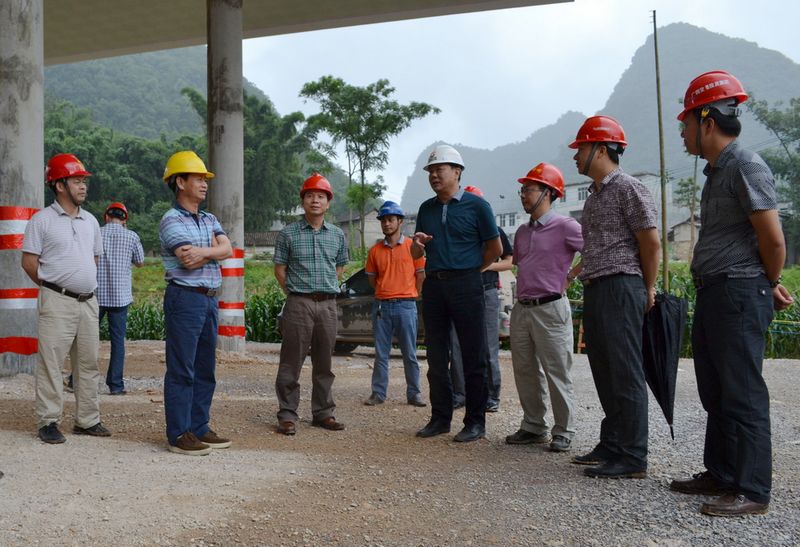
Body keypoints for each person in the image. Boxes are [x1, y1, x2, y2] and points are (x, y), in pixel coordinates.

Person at [669, 71, 794, 517]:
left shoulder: (745, 164)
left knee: (742, 391)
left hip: (738, 291)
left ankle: (752, 489)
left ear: (707, 121)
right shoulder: (717, 172)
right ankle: (721, 473)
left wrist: (767, 282)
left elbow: (772, 239)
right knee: (716, 389)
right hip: (717, 291)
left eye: (685, 123)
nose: (682, 133)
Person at [568, 116, 660, 478]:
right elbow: (597, 247)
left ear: (601, 149)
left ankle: (633, 456)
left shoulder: (628, 188)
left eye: (581, 149)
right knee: (604, 370)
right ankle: (613, 443)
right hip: (597, 287)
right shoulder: (593, 197)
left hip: (622, 286)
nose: (575, 156)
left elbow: (650, 242)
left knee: (625, 371)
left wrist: (647, 288)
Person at [411, 144, 502, 443]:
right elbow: (416, 253)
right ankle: (440, 418)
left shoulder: (478, 206)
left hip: (467, 285)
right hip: (435, 286)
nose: (434, 175)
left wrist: (473, 270)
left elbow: (495, 248)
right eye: (430, 171)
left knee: (474, 356)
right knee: (436, 357)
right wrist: (417, 246)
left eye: (440, 169)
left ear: (457, 172)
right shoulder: (426, 209)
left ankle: (475, 422)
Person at [21, 153, 112, 444]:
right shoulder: (42, 221)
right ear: (59, 185)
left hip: (88, 301)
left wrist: (79, 282)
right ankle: (48, 421)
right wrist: (54, 286)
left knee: (88, 363)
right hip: (57, 300)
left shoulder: (91, 221)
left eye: (84, 181)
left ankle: (87, 419)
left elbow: (93, 259)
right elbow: (29, 262)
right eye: (76, 181)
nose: (83, 186)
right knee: (51, 362)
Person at [505, 163, 583, 453]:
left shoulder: (567, 226)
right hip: (522, 308)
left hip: (551, 308)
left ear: (548, 192)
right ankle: (534, 426)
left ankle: (564, 430)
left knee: (557, 370)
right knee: (525, 370)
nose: (523, 195)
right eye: (522, 190)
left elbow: (595, 250)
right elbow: (520, 265)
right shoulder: (522, 232)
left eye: (529, 189)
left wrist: (571, 276)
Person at [159, 151, 233, 456]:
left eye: (205, 179)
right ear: (180, 182)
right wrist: (213, 252)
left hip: (209, 300)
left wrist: (203, 252)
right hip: (185, 298)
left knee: (205, 368)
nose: (204, 184)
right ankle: (179, 433)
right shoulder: (170, 219)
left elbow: (228, 249)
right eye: (198, 178)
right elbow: (187, 260)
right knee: (182, 368)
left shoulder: (209, 218)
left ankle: (199, 426)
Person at [274, 173, 349, 436]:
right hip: (299, 304)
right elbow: (280, 270)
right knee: (291, 361)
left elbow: (339, 268)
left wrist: (324, 289)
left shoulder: (337, 235)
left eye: (320, 196)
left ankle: (323, 413)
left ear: (328, 203)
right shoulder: (288, 234)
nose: (315, 200)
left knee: (324, 362)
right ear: (303, 201)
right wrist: (296, 294)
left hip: (328, 305)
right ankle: (287, 415)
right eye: (310, 195)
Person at [447, 185, 512, 413]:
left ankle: (491, 396)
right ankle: (460, 394)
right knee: (456, 346)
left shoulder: (494, 230)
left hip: (487, 291)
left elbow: (509, 261)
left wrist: (485, 266)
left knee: (488, 347)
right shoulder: (457, 232)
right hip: (460, 292)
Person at [363, 201, 427, 407]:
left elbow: (421, 275)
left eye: (391, 219)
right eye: (383, 220)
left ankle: (414, 394)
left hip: (406, 305)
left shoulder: (412, 247)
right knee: (381, 353)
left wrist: (413, 294)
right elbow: (372, 279)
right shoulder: (375, 251)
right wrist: (385, 289)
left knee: (410, 353)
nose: (387, 224)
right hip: (382, 306)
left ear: (400, 221)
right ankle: (378, 393)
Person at [96, 202, 144, 395]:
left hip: (95, 295)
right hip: (120, 297)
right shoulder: (132, 236)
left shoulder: (96, 233)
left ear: (106, 217)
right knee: (118, 343)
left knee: (87, 340)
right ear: (125, 220)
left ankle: (76, 381)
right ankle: (116, 385)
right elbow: (140, 262)